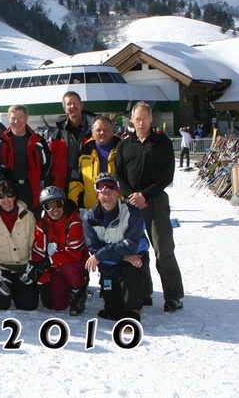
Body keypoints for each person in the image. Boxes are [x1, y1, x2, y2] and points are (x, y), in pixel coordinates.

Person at [116, 101, 184, 313]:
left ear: (151, 119)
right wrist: (131, 196)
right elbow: (119, 175)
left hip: (155, 201)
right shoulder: (124, 145)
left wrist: (145, 195)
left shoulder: (161, 143)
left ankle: (173, 295)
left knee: (163, 250)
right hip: (130, 203)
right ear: (132, 121)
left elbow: (166, 176)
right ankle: (143, 292)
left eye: (145, 118)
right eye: (138, 119)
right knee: (134, 250)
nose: (142, 122)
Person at [83, 173, 149, 322]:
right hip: (109, 263)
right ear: (97, 194)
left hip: (133, 257)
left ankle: (133, 312)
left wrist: (107, 254)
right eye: (103, 192)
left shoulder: (132, 212)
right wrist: (121, 254)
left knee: (131, 265)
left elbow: (132, 244)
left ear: (117, 192)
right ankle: (114, 305)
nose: (107, 195)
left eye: (111, 191)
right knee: (113, 309)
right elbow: (93, 247)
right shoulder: (90, 217)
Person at [25, 186, 89, 315]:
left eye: (58, 204)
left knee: (69, 268)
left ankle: (78, 292)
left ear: (63, 204)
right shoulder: (42, 225)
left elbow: (74, 254)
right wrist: (43, 282)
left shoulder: (74, 222)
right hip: (55, 267)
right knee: (56, 305)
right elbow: (38, 254)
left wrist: (48, 261)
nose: (54, 210)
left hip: (75, 263)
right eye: (49, 206)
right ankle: (65, 289)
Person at [0, 180, 38, 311]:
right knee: (1, 305)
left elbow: (34, 243)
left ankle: (19, 289)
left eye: (9, 195)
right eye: (1, 196)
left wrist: (31, 265)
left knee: (28, 305)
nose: (5, 200)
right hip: (1, 268)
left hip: (23, 268)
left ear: (15, 196)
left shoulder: (28, 216)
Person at [0, 104, 53, 217]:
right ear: (8, 119)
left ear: (26, 118)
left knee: (32, 222)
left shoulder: (37, 141)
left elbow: (47, 167)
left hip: (31, 189)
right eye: (13, 118)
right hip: (8, 191)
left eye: (20, 117)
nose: (16, 121)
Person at [68, 116, 121, 213]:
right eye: (99, 130)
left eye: (106, 129)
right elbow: (76, 182)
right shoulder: (84, 154)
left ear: (113, 130)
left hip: (119, 208)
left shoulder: (123, 150)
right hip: (92, 209)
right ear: (92, 132)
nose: (102, 133)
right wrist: (72, 204)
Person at [49, 91, 96, 191]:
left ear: (81, 105)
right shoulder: (58, 133)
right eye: (69, 104)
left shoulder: (95, 129)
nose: (72, 106)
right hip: (66, 181)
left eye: (75, 103)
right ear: (65, 108)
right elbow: (53, 162)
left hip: (91, 179)